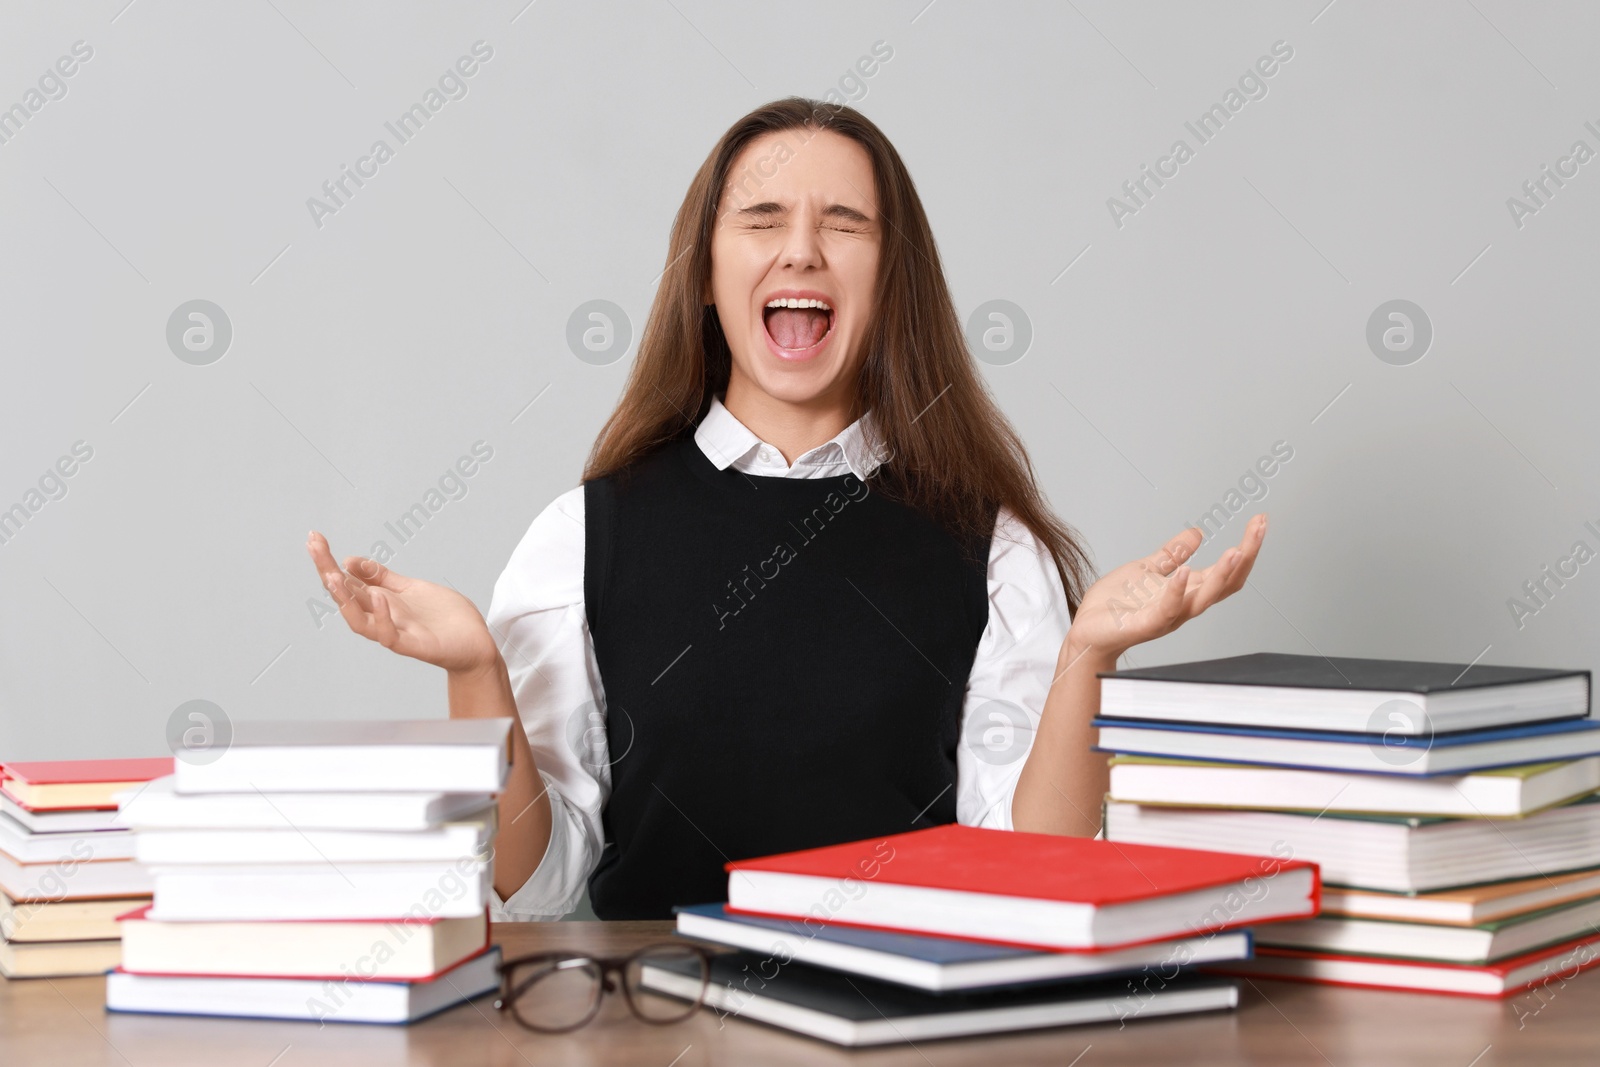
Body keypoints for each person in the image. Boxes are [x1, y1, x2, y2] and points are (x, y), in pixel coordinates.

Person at [306, 97, 1266, 921]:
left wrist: (1090, 658)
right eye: (761, 218)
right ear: (707, 275)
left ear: (893, 281)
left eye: (845, 222)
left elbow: (1032, 864)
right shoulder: (584, 537)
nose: (801, 247)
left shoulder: (992, 550)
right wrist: (477, 670)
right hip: (647, 1032)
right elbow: (539, 883)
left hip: (904, 1025)